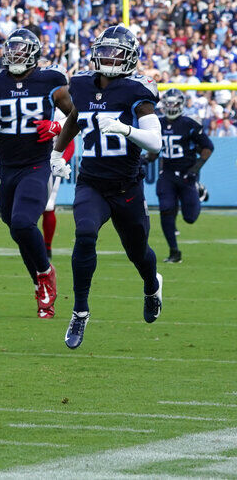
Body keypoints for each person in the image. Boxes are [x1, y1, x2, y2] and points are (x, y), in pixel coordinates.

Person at [51, 25, 163, 350]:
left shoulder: (136, 91)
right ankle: (80, 311)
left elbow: (155, 143)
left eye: (117, 53)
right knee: (85, 234)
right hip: (92, 182)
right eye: (106, 51)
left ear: (130, 58)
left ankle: (151, 288)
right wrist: (57, 151)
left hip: (127, 185)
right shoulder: (83, 84)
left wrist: (125, 129)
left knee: (138, 252)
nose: (110, 58)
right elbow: (75, 115)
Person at [0, 28, 75, 319]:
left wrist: (57, 129)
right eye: (11, 49)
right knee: (16, 228)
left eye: (21, 49)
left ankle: (45, 274)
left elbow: (77, 116)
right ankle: (41, 282)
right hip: (7, 166)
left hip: (37, 164)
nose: (15, 55)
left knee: (23, 222)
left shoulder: (51, 80)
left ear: (34, 53)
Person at [154, 87, 213, 264]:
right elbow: (154, 149)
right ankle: (174, 251)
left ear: (181, 104)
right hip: (167, 174)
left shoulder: (189, 124)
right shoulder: (158, 123)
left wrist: (195, 169)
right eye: (168, 103)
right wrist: (145, 159)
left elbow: (208, 148)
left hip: (187, 176)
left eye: (174, 103)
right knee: (165, 210)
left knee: (190, 218)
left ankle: (199, 190)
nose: (171, 106)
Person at [42, 107, 75, 258]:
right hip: (29, 161)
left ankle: (47, 247)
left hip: (50, 163)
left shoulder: (60, 113)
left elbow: (70, 143)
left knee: (48, 206)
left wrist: (61, 161)